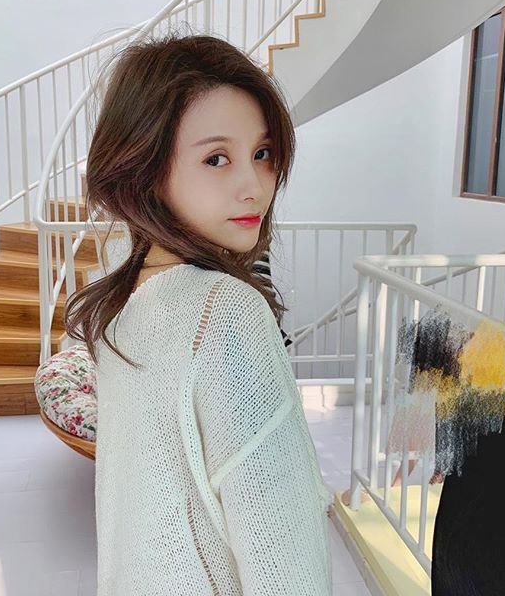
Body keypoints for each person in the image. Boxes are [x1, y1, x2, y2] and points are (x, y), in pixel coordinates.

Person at [63, 29, 333, 595]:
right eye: (216, 158)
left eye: (262, 154)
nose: (253, 186)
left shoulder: (121, 304)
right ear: (144, 171)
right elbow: (286, 566)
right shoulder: (224, 313)